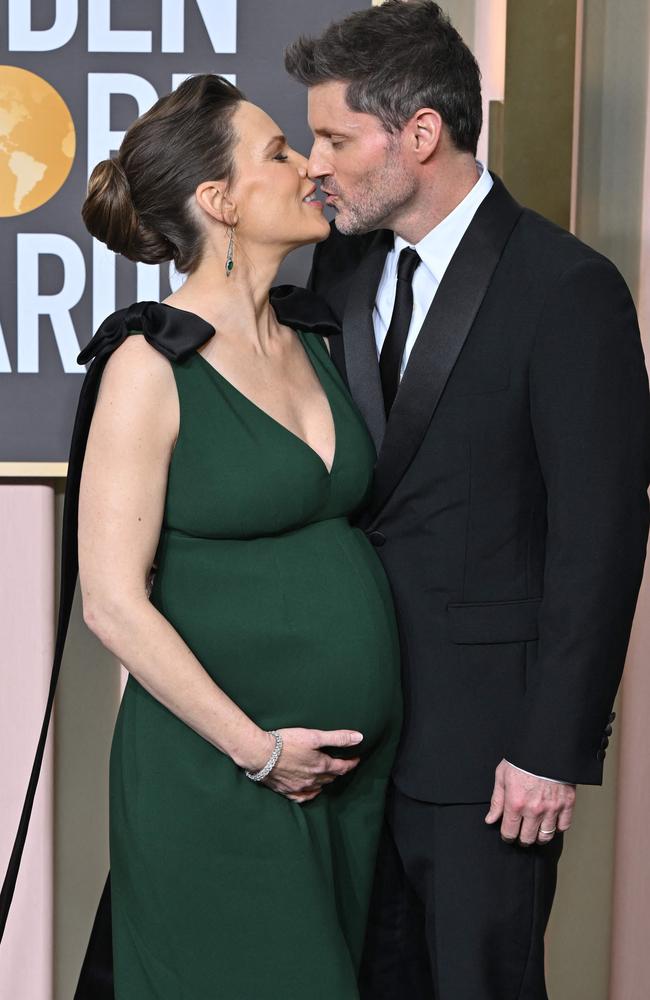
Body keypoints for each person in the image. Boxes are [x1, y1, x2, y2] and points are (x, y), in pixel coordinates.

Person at [0, 73, 402, 999]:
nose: (309, 167)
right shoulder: (149, 366)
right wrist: (257, 750)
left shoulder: (314, 335)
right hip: (224, 778)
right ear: (219, 201)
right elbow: (110, 601)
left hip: (348, 783)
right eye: (278, 153)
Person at [282, 2, 650, 998]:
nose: (313, 161)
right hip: (347, 741)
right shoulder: (337, 264)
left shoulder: (564, 286)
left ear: (420, 134)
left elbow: (601, 535)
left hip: (493, 755)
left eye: (332, 136)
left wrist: (548, 746)